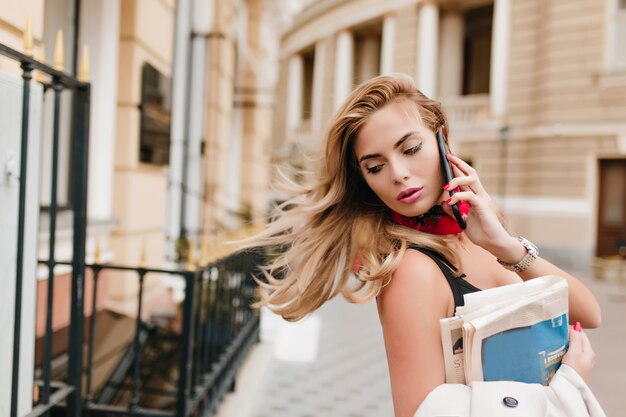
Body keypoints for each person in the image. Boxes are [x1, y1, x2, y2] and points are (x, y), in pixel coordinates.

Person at [246, 74, 602, 417]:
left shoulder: (481, 235)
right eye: (375, 167)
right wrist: (565, 391)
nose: (398, 173)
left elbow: (589, 314)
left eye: (411, 148)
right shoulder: (411, 270)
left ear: (441, 138)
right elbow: (422, 412)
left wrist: (506, 246)